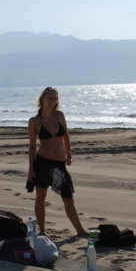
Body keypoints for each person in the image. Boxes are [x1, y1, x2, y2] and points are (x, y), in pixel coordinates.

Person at [27, 87, 87, 237]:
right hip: (42, 163)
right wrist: (31, 169)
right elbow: (32, 146)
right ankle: (42, 231)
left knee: (68, 198)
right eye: (49, 98)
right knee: (41, 198)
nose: (52, 101)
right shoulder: (34, 121)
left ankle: (80, 230)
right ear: (42, 99)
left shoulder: (59, 115)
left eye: (55, 99)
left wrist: (69, 155)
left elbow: (66, 136)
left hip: (60, 163)